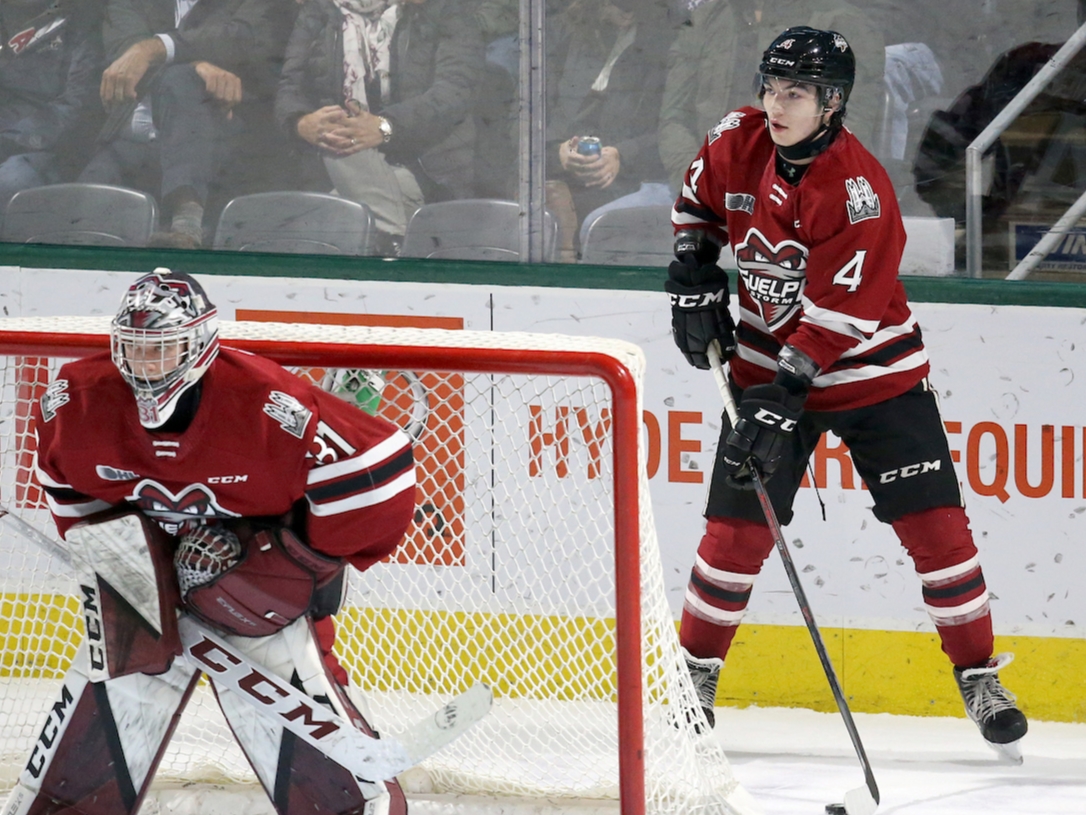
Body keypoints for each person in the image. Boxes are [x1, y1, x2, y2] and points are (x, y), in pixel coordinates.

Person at [664, 27, 1029, 759]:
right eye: (771, 86)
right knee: (734, 532)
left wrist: (788, 386)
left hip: (873, 376)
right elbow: (696, 206)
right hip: (768, 369)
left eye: (795, 92)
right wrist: (693, 271)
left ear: (832, 103)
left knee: (938, 533)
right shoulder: (735, 138)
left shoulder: (858, 190)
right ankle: (693, 676)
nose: (775, 102)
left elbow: (844, 314)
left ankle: (980, 677)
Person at [13, 269, 416, 814]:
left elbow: (379, 466)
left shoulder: (267, 402)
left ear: (201, 343)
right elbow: (69, 488)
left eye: (164, 349)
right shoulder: (79, 400)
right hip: (147, 592)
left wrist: (294, 561)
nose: (146, 366)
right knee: (121, 684)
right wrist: (126, 564)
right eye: (134, 350)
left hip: (247, 586)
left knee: (284, 703)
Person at [78, 0, 298, 247]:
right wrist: (195, 64)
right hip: (130, 143)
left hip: (214, 143)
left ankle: (187, 222)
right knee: (76, 227)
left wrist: (157, 49)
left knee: (180, 79)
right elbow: (126, 52)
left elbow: (240, 37)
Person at [275, 0, 483, 255]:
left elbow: (454, 93)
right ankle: (393, 245)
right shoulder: (319, 12)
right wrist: (302, 123)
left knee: (332, 222)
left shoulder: (444, 10)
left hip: (423, 169)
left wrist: (385, 127)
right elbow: (289, 90)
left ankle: (386, 243)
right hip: (344, 167)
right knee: (339, 137)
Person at [658, 0, 885, 194]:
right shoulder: (705, 19)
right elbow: (673, 119)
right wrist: (698, 182)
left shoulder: (841, 25)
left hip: (802, 204)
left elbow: (848, 132)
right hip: (705, 196)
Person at [544, 0, 673, 257]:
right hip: (559, 165)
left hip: (633, 175)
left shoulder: (669, 43)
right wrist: (555, 150)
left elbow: (676, 128)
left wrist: (622, 155)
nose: (623, 9)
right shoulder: (565, 36)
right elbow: (526, 114)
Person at [0, 0, 103, 226]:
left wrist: (9, 138)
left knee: (8, 182)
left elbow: (78, 105)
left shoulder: (83, 19)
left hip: (47, 150)